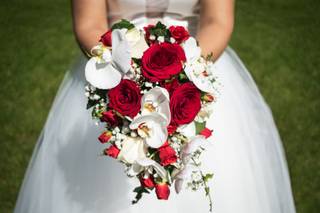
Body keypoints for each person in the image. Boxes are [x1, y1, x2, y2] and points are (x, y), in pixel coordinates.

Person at [14, 0, 296, 212]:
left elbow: (217, 21)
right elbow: (88, 23)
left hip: (196, 62)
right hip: (114, 68)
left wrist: (183, 77)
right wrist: (129, 72)